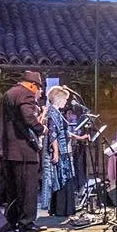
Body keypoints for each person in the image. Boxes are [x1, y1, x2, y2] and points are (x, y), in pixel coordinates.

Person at [0, 69, 44, 232]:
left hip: (10, 150)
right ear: (32, 84)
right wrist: (41, 128)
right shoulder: (26, 94)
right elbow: (28, 117)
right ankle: (26, 222)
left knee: (13, 189)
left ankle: (12, 220)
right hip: (24, 150)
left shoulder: (9, 93)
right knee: (28, 188)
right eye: (38, 88)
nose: (37, 92)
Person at [40, 85, 78, 218]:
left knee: (63, 179)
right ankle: (62, 209)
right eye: (64, 99)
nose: (66, 102)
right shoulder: (52, 112)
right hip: (60, 151)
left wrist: (79, 137)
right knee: (62, 179)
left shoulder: (56, 112)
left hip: (63, 149)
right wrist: (56, 151)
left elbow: (63, 131)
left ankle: (60, 209)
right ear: (58, 99)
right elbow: (53, 133)